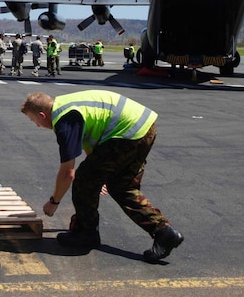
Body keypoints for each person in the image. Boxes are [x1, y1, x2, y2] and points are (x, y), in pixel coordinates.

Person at [20, 90, 183, 263]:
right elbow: (94, 144)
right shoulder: (66, 106)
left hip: (127, 132)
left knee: (83, 180)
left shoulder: (65, 120)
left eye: (33, 120)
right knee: (123, 187)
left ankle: (85, 233)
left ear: (42, 115)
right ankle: (164, 233)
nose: (36, 125)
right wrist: (101, 176)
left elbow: (68, 172)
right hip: (144, 128)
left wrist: (54, 202)